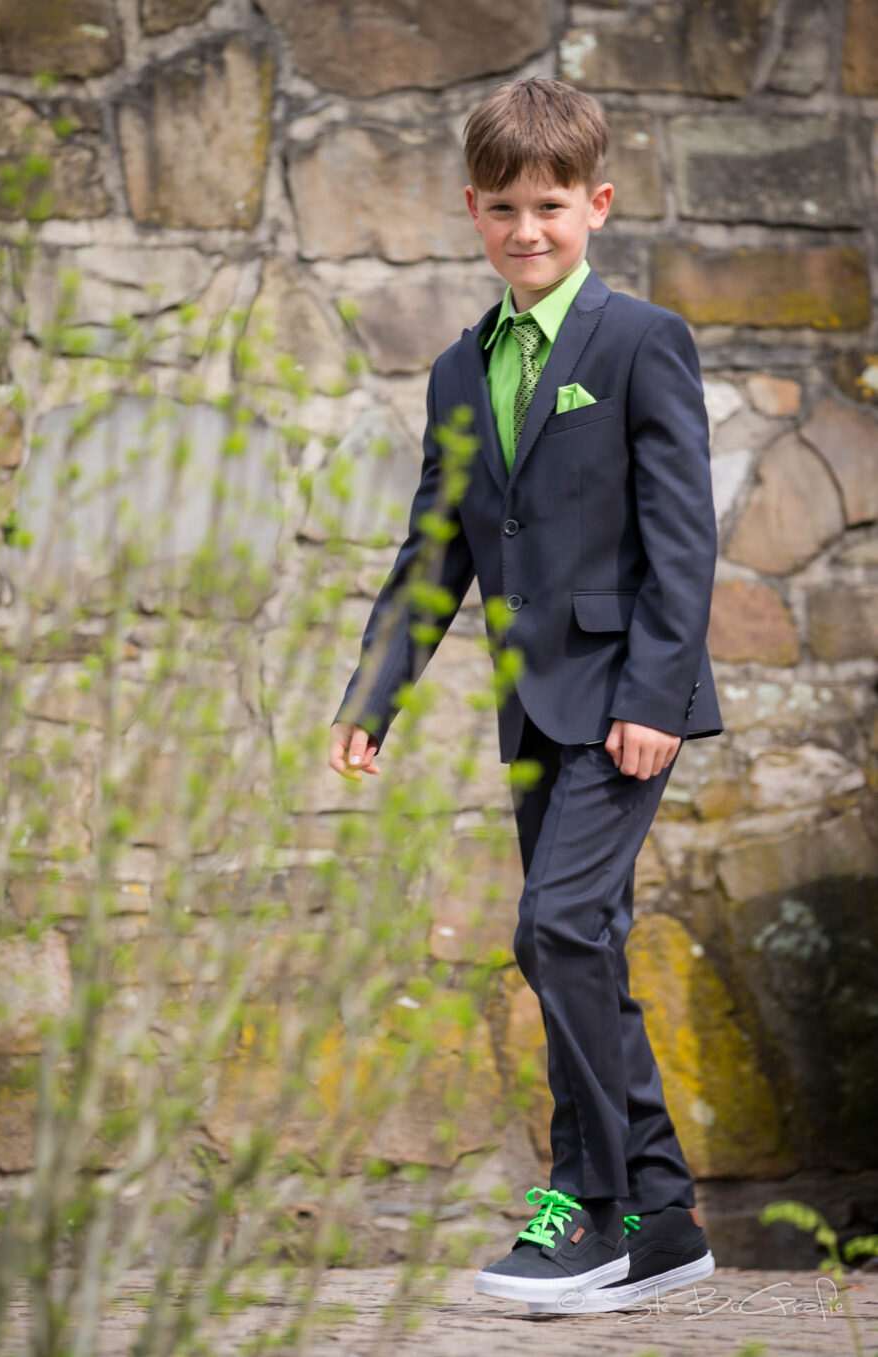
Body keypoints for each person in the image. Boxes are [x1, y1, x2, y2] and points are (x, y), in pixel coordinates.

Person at [328, 76, 722, 1314]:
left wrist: (655, 691)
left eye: (549, 205)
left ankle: (593, 1207)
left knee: (551, 928)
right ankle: (660, 1210)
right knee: (577, 936)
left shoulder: (639, 341)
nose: (525, 230)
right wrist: (370, 695)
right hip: (527, 712)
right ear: (471, 211)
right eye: (501, 208)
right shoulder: (460, 367)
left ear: (594, 204)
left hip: (624, 705)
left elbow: (681, 538)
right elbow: (433, 549)